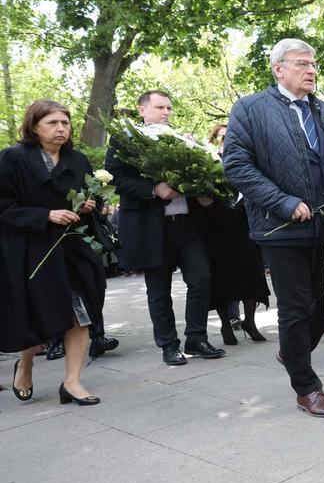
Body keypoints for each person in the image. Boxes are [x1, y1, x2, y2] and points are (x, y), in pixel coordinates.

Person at [224, 38, 324, 418]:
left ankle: (292, 351)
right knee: (295, 308)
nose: (311, 70)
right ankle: (306, 386)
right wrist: (283, 202)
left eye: (313, 64)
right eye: (302, 64)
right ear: (278, 69)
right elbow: (237, 166)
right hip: (281, 228)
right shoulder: (250, 109)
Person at [105, 90, 225, 366]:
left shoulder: (182, 141)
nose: (166, 112)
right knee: (159, 289)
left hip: (187, 225)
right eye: (160, 107)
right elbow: (116, 178)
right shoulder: (127, 141)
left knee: (201, 279)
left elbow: (196, 174)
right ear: (142, 110)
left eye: (169, 108)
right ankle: (169, 345)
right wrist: (153, 189)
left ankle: (196, 338)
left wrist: (204, 193)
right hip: (151, 227)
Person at [1, 100, 102, 405]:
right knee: (38, 313)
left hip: (73, 249)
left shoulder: (78, 160)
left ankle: (72, 382)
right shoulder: (12, 159)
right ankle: (26, 364)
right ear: (33, 126)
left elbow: (86, 198)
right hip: (33, 251)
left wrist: (87, 206)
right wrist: (45, 215)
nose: (61, 129)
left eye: (65, 123)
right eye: (52, 123)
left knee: (81, 313)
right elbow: (4, 207)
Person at [204, 124, 271, 346]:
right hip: (217, 229)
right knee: (222, 279)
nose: (226, 141)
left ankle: (250, 322)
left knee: (252, 276)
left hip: (245, 225)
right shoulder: (206, 162)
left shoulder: (247, 159)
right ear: (215, 141)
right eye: (222, 138)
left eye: (229, 137)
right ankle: (225, 324)